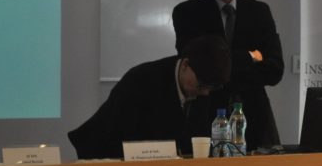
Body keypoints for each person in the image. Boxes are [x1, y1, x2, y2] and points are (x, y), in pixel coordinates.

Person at [172, 0, 284, 151]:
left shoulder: (259, 11)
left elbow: (275, 70)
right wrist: (251, 57)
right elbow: (196, 67)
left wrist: (221, 65)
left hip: (255, 120)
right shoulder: (187, 12)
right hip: (204, 118)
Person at [68, 35, 231, 159]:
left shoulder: (203, 84)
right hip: (107, 156)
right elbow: (127, 140)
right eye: (201, 85)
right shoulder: (141, 81)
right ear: (185, 65)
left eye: (210, 88)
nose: (205, 93)